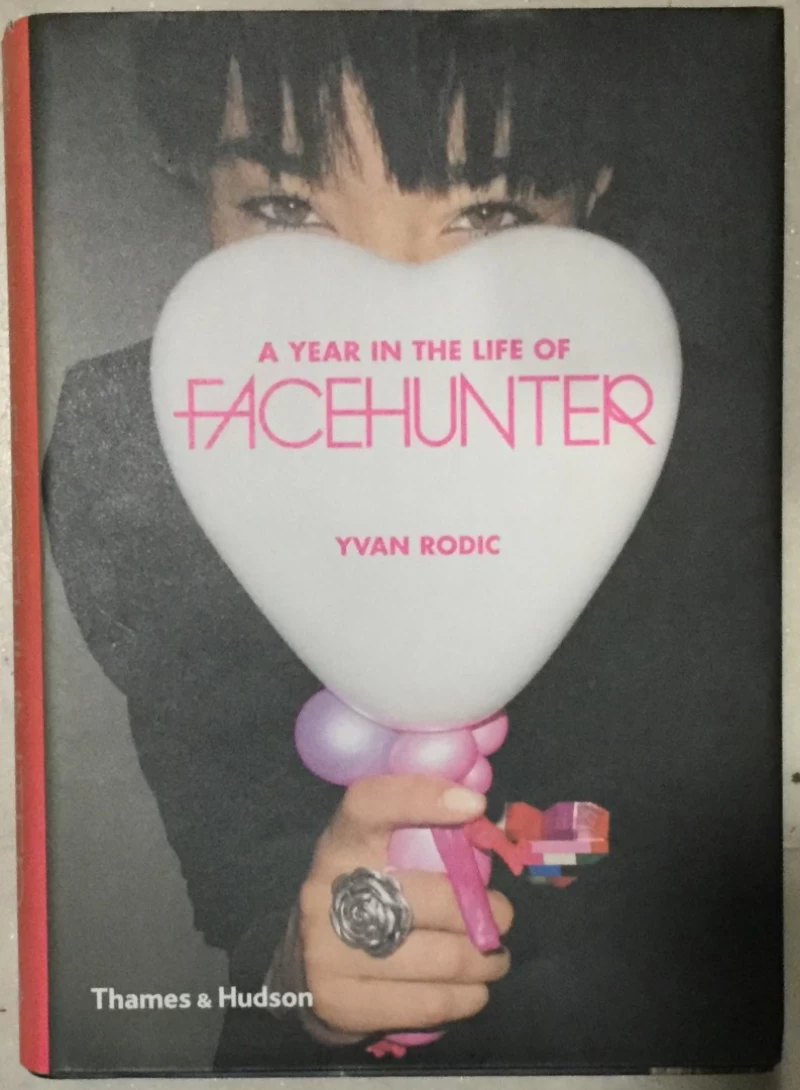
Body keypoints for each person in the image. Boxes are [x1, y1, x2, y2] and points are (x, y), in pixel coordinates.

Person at [41, 9, 782, 1073]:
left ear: (591, 192)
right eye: (286, 206)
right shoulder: (136, 432)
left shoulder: (718, 433)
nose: (387, 311)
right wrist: (307, 972)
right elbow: (239, 873)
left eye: (487, 213)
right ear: (194, 180)